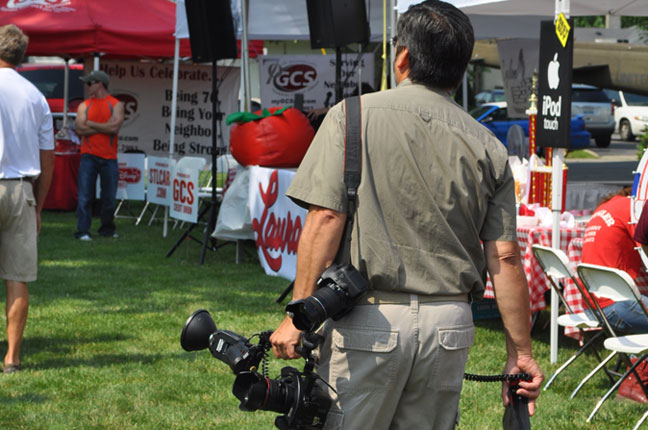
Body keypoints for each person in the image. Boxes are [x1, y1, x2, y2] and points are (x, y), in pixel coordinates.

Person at [269, 2, 543, 429]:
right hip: (449, 327)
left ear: (402, 58)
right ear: (461, 68)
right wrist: (520, 353)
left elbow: (325, 220)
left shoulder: (350, 117)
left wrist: (296, 317)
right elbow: (505, 258)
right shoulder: (488, 145)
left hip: (369, 322)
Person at [0, 24, 55, 374]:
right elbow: (48, 159)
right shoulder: (36, 95)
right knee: (17, 277)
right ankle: (12, 359)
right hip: (21, 189)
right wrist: (41, 205)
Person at [580, 188, 648, 333]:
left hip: (591, 306)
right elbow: (644, 247)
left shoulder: (603, 208)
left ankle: (635, 355)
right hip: (617, 305)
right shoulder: (631, 209)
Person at [74, 70, 124, 241]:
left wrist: (90, 124)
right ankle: (82, 231)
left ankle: (107, 229)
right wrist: (104, 126)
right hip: (88, 156)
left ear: (99, 84)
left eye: (89, 83)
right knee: (85, 196)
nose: (87, 86)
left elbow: (114, 128)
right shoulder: (84, 105)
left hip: (109, 157)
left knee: (108, 197)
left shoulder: (116, 104)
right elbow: (80, 129)